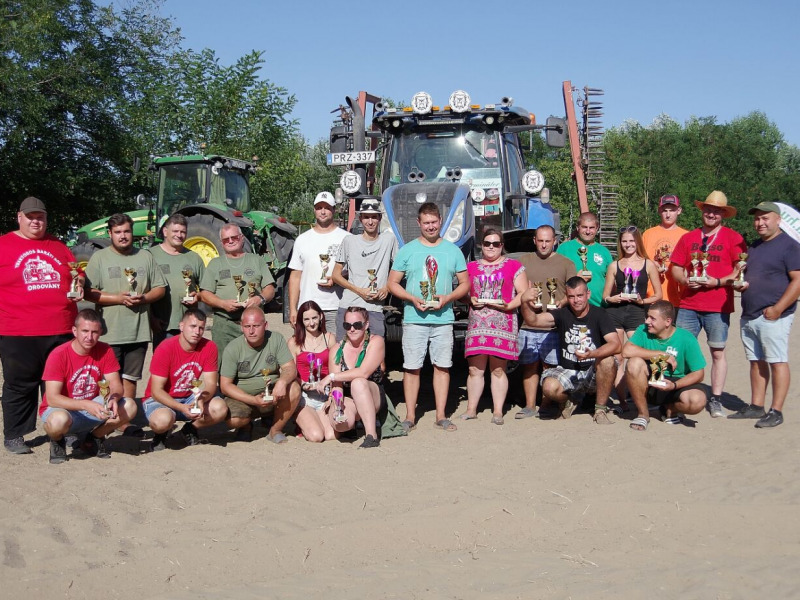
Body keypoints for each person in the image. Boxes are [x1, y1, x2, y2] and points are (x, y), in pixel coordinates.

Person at [0, 197, 83, 454]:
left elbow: (76, 273)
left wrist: (80, 283)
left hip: (60, 328)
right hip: (17, 329)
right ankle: (15, 434)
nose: (36, 221)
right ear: (19, 217)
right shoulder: (3, 245)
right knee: (19, 384)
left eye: (40, 217)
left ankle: (62, 429)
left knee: (59, 383)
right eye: (31, 217)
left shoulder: (58, 245)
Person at [387, 202, 470, 432]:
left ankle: (441, 415)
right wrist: (412, 299)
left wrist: (448, 298)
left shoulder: (453, 251)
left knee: (442, 366)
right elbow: (392, 283)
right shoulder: (408, 250)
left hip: (443, 318)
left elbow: (465, 284)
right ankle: (410, 416)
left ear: (440, 221)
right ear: (418, 223)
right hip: (415, 318)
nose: (431, 227)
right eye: (426, 223)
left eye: (434, 222)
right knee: (412, 367)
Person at [670, 191, 747, 418]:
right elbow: (675, 267)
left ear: (723, 213)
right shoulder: (688, 238)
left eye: (716, 210)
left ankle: (715, 398)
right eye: (708, 209)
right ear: (702, 210)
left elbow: (739, 269)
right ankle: (677, 394)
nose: (711, 214)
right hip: (689, 303)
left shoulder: (733, 238)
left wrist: (718, 281)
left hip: (718, 305)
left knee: (717, 352)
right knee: (680, 350)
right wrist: (685, 279)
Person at [729, 201, 800, 428]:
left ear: (778, 220)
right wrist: (740, 285)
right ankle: (756, 406)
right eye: (757, 218)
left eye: (765, 218)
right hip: (750, 313)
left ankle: (776, 410)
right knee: (756, 361)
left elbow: (798, 280)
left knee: (777, 361)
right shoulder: (755, 246)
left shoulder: (789, 246)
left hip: (774, 315)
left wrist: (779, 308)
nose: (760, 223)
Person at [84, 213, 166, 407]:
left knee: (130, 377)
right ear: (110, 234)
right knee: (106, 377)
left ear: (132, 233)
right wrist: (118, 299)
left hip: (138, 331)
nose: (123, 236)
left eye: (127, 231)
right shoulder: (99, 258)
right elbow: (88, 292)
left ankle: (125, 418)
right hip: (108, 332)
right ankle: (105, 413)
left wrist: (144, 298)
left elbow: (160, 289)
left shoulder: (145, 256)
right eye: (118, 232)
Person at [40, 309, 136, 463]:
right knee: (58, 421)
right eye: (85, 331)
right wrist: (85, 404)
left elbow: (116, 385)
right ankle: (57, 440)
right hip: (64, 409)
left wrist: (113, 398)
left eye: (94, 332)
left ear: (100, 332)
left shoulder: (105, 350)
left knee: (130, 405)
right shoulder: (59, 355)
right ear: (74, 331)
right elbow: (52, 398)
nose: (89, 337)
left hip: (93, 407)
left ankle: (93, 438)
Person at [520, 276, 619, 423]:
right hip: (568, 370)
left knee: (609, 361)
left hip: (592, 370)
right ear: (567, 296)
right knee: (548, 387)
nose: (576, 300)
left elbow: (616, 344)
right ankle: (569, 402)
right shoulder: (562, 313)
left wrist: (592, 354)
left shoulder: (600, 314)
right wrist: (524, 302)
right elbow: (533, 320)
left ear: (588, 294)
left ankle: (600, 410)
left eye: (580, 295)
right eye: (571, 296)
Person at [460, 229, 527, 425]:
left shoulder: (514, 266)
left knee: (498, 370)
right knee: (474, 370)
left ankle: (498, 411)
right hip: (477, 324)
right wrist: (469, 299)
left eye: (496, 243)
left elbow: (523, 293)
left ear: (502, 246)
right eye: (487, 243)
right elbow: (462, 293)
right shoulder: (470, 267)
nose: (491, 247)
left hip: (502, 323)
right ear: (481, 245)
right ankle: (471, 409)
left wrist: (509, 306)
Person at [515, 225, 577, 419]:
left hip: (553, 324)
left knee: (550, 367)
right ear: (534, 240)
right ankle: (529, 405)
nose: (543, 245)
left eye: (547, 241)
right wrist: (525, 298)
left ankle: (546, 404)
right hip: (528, 323)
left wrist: (562, 302)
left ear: (554, 241)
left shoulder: (566, 263)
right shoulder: (522, 261)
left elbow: (573, 291)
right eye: (540, 240)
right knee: (529, 365)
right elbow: (517, 288)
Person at [141, 309, 226, 450]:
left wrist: (200, 400)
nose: (197, 332)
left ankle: (189, 429)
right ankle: (161, 434)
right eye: (192, 326)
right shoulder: (165, 348)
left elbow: (211, 384)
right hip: (161, 398)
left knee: (220, 408)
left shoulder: (209, 347)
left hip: (189, 396)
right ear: (181, 326)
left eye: (201, 328)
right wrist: (180, 407)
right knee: (162, 421)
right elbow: (156, 391)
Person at [220, 306, 301, 444]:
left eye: (256, 326)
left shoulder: (276, 339)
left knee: (294, 388)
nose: (251, 331)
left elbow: (290, 368)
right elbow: (225, 386)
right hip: (245, 398)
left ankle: (275, 430)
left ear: (265, 325)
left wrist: (282, 382)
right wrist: (253, 400)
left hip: (273, 393)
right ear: (241, 327)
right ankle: (246, 426)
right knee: (233, 420)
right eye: (247, 326)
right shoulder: (232, 348)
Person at [622, 300, 707, 431]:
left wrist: (674, 385)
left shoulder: (686, 338)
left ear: (667, 321)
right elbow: (626, 351)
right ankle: (643, 414)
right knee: (633, 363)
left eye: (652, 318)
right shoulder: (643, 330)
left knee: (698, 401)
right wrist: (662, 354)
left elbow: (699, 373)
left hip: (676, 383)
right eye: (647, 316)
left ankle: (669, 410)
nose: (647, 321)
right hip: (652, 380)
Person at [602, 226, 662, 403]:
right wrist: (612, 298)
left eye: (631, 240)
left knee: (640, 355)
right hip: (615, 313)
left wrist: (642, 302)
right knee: (617, 357)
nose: (628, 244)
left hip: (637, 313)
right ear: (620, 243)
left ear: (637, 242)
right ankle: (622, 401)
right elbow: (606, 295)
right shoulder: (614, 265)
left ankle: (642, 396)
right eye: (624, 241)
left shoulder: (648, 264)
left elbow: (659, 294)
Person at [199, 223, 275, 359]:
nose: (230, 241)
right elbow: (205, 294)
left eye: (234, 237)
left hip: (253, 324)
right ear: (221, 243)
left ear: (241, 238)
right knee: (223, 365)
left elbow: (270, 288)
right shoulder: (215, 264)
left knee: (255, 362)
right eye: (225, 239)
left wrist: (260, 299)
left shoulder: (256, 260)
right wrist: (223, 304)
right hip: (224, 325)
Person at [313, 307, 386, 448]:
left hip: (372, 393)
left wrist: (332, 376)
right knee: (341, 424)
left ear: (366, 325)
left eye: (357, 325)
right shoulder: (337, 349)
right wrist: (338, 404)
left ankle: (371, 435)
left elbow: (363, 372)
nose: (352, 329)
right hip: (348, 397)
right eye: (347, 325)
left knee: (358, 383)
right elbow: (337, 385)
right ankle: (350, 426)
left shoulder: (375, 342)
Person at [332, 198, 396, 339]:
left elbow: (398, 270)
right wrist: (360, 291)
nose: (370, 221)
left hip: (375, 308)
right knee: (343, 349)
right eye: (366, 217)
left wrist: (386, 288)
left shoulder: (389, 240)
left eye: (374, 217)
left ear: (380, 218)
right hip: (349, 305)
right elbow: (336, 275)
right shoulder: (349, 241)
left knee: (377, 352)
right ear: (360, 218)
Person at [288, 191, 350, 334]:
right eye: (319, 207)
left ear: (334, 210)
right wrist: (293, 309)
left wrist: (337, 279)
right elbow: (295, 276)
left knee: (336, 350)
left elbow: (355, 273)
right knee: (310, 351)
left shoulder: (347, 238)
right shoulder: (302, 240)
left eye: (327, 207)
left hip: (337, 306)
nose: (323, 211)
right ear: (314, 210)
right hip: (308, 308)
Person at [147, 214, 205, 348]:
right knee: (164, 366)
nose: (179, 235)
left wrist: (198, 296)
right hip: (162, 325)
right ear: (165, 231)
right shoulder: (150, 255)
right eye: (175, 231)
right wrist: (151, 319)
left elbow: (206, 289)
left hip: (189, 326)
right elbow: (143, 290)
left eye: (183, 232)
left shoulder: (194, 258)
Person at [288, 301, 337, 442]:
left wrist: (332, 396)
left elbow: (335, 369)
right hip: (305, 395)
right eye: (306, 319)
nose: (311, 323)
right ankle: (301, 422)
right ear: (301, 321)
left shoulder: (329, 338)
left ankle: (315, 418)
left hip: (325, 393)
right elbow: (290, 372)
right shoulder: (294, 342)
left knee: (330, 435)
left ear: (321, 316)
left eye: (314, 318)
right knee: (316, 436)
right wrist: (302, 384)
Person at [557, 212, 613, 307]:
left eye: (591, 228)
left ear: (597, 228)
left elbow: (611, 280)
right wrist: (576, 279)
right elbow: (556, 278)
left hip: (599, 307)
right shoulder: (564, 249)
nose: (588, 231)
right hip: (570, 306)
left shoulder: (604, 252)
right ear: (578, 227)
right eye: (584, 227)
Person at [642, 195, 688, 307]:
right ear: (659, 211)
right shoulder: (648, 234)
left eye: (672, 210)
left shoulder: (686, 236)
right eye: (664, 210)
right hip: (650, 296)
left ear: (679, 211)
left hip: (678, 298)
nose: (668, 215)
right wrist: (654, 264)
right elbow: (640, 260)